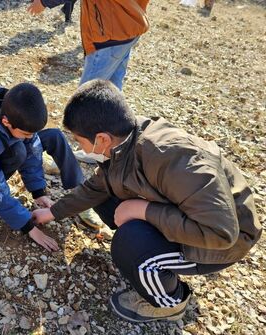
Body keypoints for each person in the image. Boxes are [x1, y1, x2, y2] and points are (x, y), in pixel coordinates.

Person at [33, 80, 262, 322]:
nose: (78, 146)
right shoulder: (125, 140)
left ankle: (170, 302)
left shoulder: (173, 159)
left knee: (128, 244)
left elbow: (221, 234)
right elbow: (97, 188)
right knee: (105, 198)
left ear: (101, 139)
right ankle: (147, 256)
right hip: (195, 217)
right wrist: (53, 212)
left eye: (79, 140)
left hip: (225, 241)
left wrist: (143, 210)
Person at [0, 83, 102, 252]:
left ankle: (79, 192)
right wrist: (27, 226)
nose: (29, 137)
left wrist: (38, 192)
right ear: (6, 121)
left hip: (7, 144)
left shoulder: (17, 111)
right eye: (26, 133)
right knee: (19, 150)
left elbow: (33, 146)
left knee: (55, 136)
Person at [28, 0, 150, 90]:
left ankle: (81, 124)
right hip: (130, 25)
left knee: (85, 97)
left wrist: (44, 2)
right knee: (112, 88)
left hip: (109, 37)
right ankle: (115, 121)